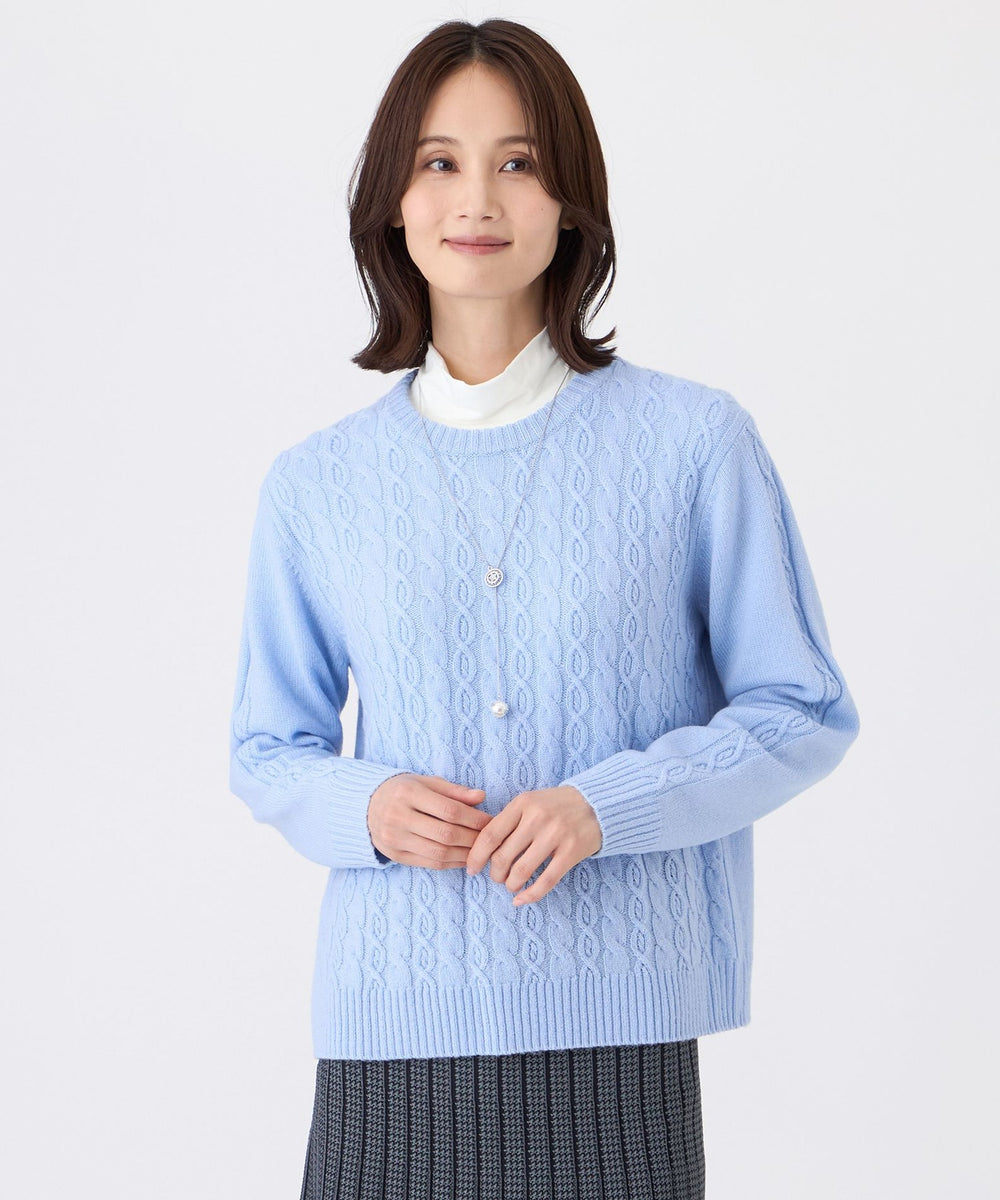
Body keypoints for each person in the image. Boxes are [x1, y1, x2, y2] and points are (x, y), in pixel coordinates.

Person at [228, 18, 861, 1200]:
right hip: (389, 1033)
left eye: (517, 162)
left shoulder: (691, 444)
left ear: (570, 201)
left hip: (616, 1043)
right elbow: (266, 750)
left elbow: (801, 709)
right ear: (392, 201)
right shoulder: (316, 485)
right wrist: (370, 808)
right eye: (439, 161)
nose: (477, 198)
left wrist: (605, 806)